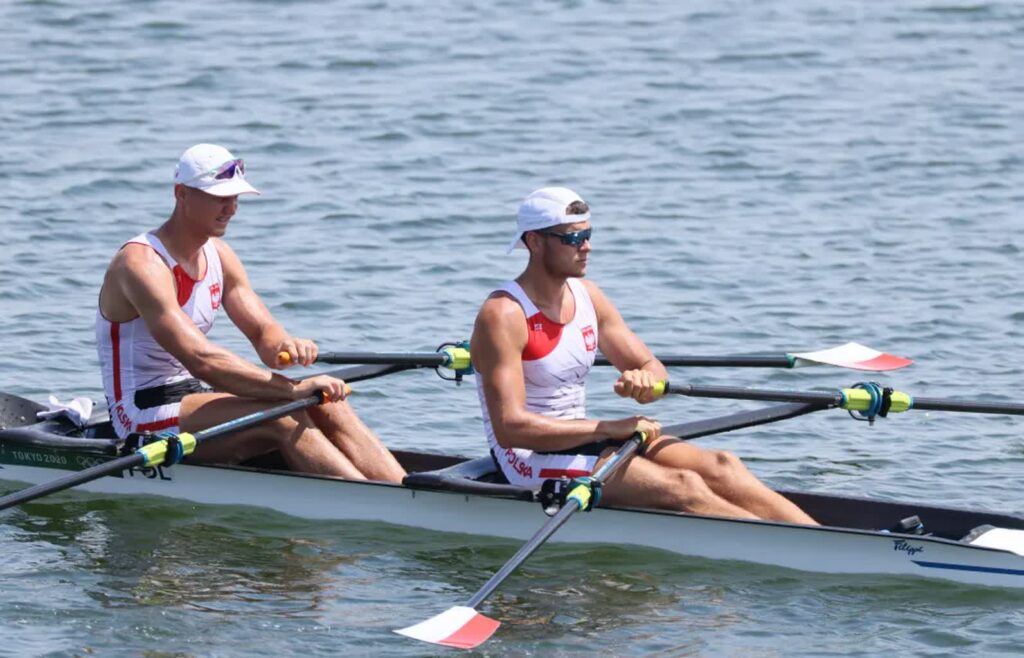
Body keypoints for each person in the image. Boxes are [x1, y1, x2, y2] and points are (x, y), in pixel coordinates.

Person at [471, 186, 816, 522]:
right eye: (573, 238)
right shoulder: (503, 314)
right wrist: (608, 427)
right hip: (524, 458)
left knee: (723, 465)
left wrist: (645, 383)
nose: (587, 247)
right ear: (534, 241)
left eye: (588, 235)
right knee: (683, 486)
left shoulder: (588, 296)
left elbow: (652, 367)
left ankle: (816, 537)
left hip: (580, 434)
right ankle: (790, 549)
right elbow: (511, 428)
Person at [95, 143, 405, 482]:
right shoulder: (141, 265)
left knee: (327, 402)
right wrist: (292, 389)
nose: (231, 208)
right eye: (220, 197)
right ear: (181, 193)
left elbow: (263, 335)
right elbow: (202, 360)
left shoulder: (220, 256)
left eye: (235, 197)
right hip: (139, 412)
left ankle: (405, 491)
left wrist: (287, 347)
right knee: (281, 415)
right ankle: (370, 502)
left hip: (192, 397)